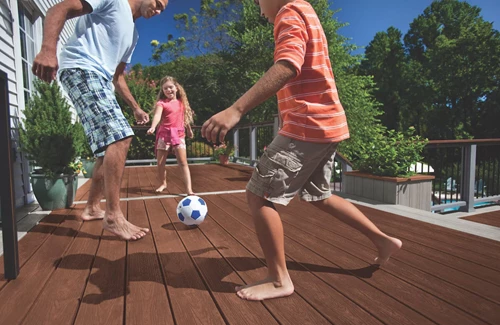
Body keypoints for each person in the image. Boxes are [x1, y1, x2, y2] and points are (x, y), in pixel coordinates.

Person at [201, 0, 402, 301]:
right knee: (321, 195)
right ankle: (382, 240)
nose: (259, 11)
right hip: (327, 125)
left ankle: (279, 279)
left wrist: (236, 109)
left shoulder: (289, 12)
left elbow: (288, 65)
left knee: (259, 195)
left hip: (307, 125)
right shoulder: (307, 13)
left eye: (258, 3)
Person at [32, 0, 169, 240]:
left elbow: (117, 77)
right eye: (157, 3)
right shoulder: (113, 1)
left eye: (162, 10)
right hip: (82, 69)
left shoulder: (133, 34)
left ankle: (92, 207)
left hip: (103, 80)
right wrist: (47, 49)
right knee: (121, 136)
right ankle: (113, 216)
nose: (157, 11)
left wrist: (135, 107)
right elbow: (58, 8)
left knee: (107, 149)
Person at [147, 76, 195, 195]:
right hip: (164, 135)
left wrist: (189, 130)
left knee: (183, 162)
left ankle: (189, 189)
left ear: (176, 88)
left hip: (179, 135)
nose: (168, 90)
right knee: (160, 163)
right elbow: (157, 116)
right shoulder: (161, 103)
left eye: (170, 87)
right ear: (163, 91)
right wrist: (153, 126)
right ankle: (163, 183)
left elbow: (185, 118)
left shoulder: (181, 103)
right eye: (165, 88)